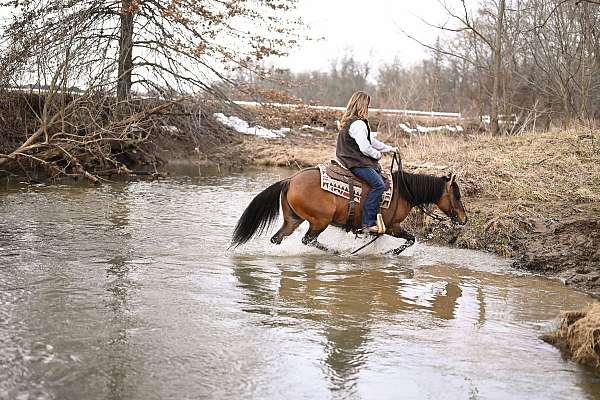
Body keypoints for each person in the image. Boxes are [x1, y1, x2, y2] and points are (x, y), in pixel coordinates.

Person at [335, 91, 397, 234]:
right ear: (363, 105)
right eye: (368, 105)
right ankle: (367, 223)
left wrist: (388, 148)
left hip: (346, 159)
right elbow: (365, 147)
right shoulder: (358, 124)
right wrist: (377, 155)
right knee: (379, 185)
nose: (369, 108)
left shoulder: (352, 121)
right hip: (355, 162)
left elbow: (370, 140)